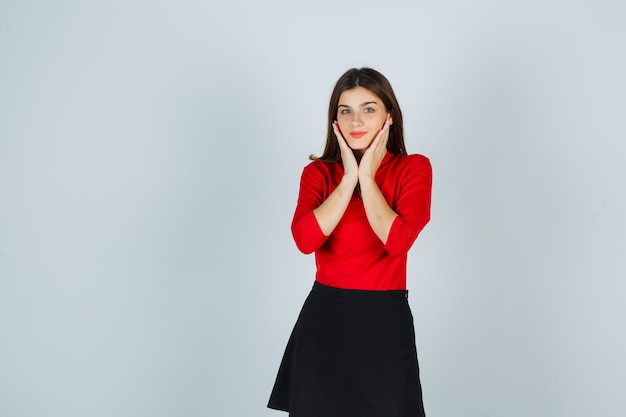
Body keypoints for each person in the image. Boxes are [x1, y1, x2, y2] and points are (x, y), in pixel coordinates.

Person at [267, 67, 432, 417]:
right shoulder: (318, 174)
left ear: (389, 116)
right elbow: (305, 239)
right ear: (335, 121)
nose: (356, 120)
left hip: (384, 322)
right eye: (346, 110)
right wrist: (347, 181)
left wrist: (368, 177)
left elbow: (397, 241)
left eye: (369, 109)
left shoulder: (414, 169)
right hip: (324, 319)